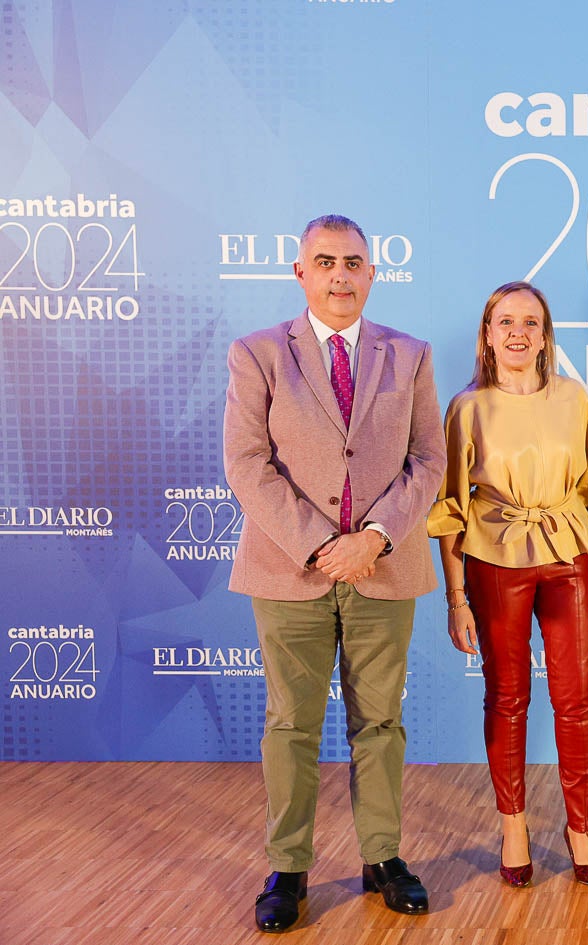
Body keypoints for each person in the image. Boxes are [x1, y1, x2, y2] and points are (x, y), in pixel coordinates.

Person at [224, 214, 444, 932]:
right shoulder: (256, 353)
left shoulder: (409, 355)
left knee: (380, 722)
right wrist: (323, 545)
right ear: (300, 272)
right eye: (325, 261)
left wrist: (374, 537)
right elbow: (246, 463)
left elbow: (428, 461)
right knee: (291, 723)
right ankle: (288, 865)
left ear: (372, 272)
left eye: (353, 262)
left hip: (383, 568)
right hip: (290, 570)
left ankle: (383, 856)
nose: (340, 274)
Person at [427, 281, 588, 888]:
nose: (518, 333)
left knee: (576, 698)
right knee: (507, 697)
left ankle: (580, 826)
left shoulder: (574, 398)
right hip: (493, 558)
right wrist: (456, 598)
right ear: (487, 334)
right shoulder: (467, 408)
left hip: (567, 554)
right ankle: (513, 824)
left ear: (545, 335)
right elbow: (450, 509)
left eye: (530, 322)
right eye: (506, 322)